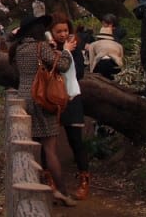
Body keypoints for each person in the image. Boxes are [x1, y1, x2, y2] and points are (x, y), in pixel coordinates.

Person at [9, 13, 76, 206]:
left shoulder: (18, 49)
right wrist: (65, 51)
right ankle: (61, 191)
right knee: (50, 148)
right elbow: (62, 66)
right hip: (41, 98)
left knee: (28, 145)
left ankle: (33, 184)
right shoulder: (41, 47)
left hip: (24, 98)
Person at [47, 15, 90, 201]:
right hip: (52, 98)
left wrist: (70, 53)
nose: (63, 34)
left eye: (65, 30)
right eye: (59, 31)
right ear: (52, 32)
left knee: (76, 141)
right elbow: (52, 69)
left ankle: (84, 179)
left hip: (71, 96)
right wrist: (63, 52)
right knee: (48, 142)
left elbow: (79, 72)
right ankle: (50, 179)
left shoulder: (75, 46)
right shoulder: (48, 47)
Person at [87, 14, 124, 80]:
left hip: (102, 65)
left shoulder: (94, 44)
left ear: (110, 24)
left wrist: (91, 72)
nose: (103, 26)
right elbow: (121, 58)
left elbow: (92, 60)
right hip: (116, 65)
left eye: (104, 24)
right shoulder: (119, 44)